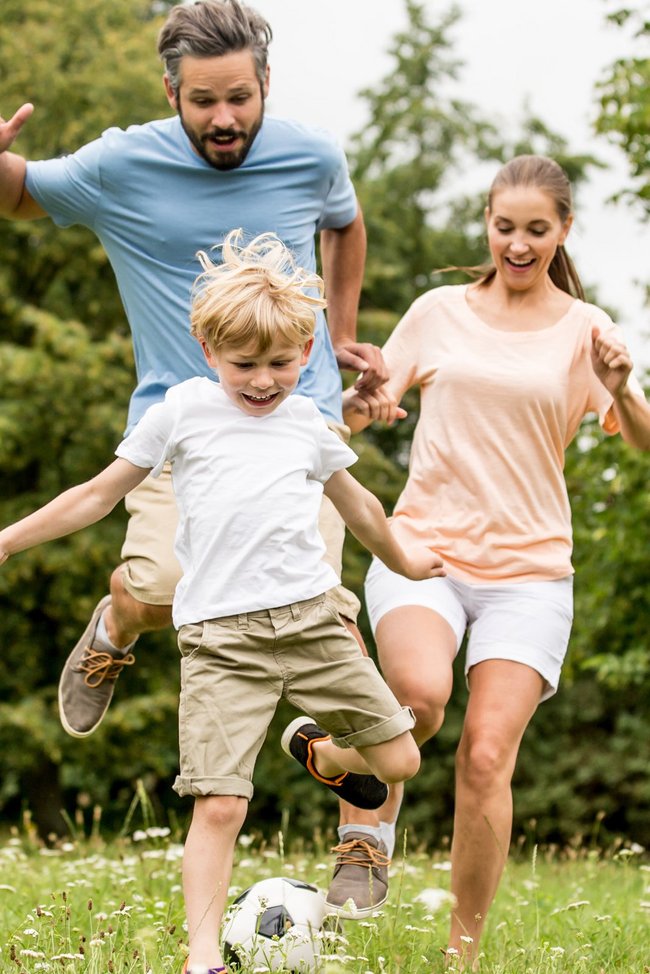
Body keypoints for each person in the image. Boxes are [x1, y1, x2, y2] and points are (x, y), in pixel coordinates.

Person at [0, 230, 446, 974]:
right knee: (220, 804)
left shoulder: (308, 424)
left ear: (308, 353)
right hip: (220, 641)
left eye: (281, 363)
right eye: (245, 365)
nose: (265, 381)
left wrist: (407, 557)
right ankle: (200, 957)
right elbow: (97, 495)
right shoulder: (183, 412)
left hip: (313, 626)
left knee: (399, 759)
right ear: (208, 350)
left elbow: (361, 507)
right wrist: (10, 538)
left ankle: (318, 748)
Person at [0, 0, 387, 743]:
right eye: (203, 100)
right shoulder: (121, 166)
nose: (223, 118)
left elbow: (343, 218)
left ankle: (362, 842)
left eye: (239, 97)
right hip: (180, 433)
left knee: (328, 615)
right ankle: (118, 619)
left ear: (266, 82)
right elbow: (17, 195)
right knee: (167, 591)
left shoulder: (311, 155)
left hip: (299, 419)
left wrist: (338, 329)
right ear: (170, 91)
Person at [342, 155, 650, 967]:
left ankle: (463, 955)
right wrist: (362, 404)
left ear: (564, 231)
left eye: (535, 230)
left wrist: (621, 389)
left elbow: (645, 441)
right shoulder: (439, 311)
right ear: (486, 222)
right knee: (418, 696)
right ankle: (364, 829)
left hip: (532, 574)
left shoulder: (588, 331)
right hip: (426, 551)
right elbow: (370, 409)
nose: (517, 244)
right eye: (503, 226)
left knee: (485, 755)